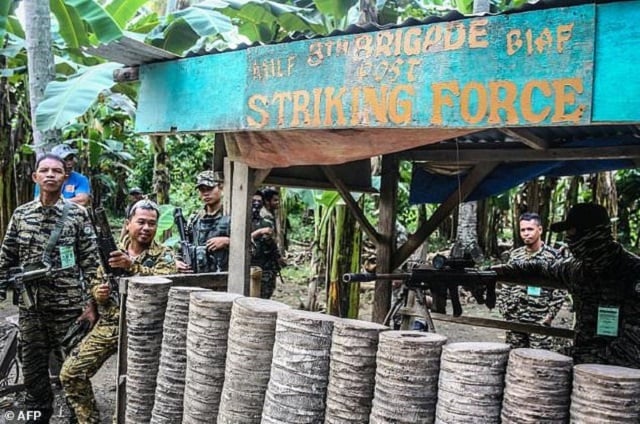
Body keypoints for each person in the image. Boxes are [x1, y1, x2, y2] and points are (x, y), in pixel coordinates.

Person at [0, 153, 99, 422]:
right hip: (31, 310)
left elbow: (91, 261)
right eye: (44, 170)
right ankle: (38, 416)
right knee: (33, 372)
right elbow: (6, 257)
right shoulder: (21, 215)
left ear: (65, 177)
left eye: (57, 171)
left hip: (68, 309)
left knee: (72, 372)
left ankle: (77, 417)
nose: (51, 175)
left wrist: (92, 305)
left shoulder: (77, 215)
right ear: (36, 177)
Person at [60, 199, 177, 424]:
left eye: (151, 224)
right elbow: (94, 279)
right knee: (71, 373)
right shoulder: (110, 251)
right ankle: (88, 419)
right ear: (128, 224)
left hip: (145, 328)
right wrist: (98, 293)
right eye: (141, 222)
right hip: (111, 323)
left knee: (135, 386)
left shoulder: (165, 254)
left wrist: (131, 266)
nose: (146, 228)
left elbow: (168, 281)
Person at [492, 203, 640, 368]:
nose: (570, 241)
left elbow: (633, 341)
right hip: (583, 361)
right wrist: (497, 272)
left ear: (593, 234)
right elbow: (538, 267)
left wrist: (583, 361)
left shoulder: (633, 272)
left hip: (623, 371)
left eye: (573, 234)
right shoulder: (576, 268)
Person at [496, 212, 566, 350]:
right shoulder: (516, 255)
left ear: (539, 230)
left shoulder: (553, 256)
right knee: (516, 359)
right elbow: (506, 284)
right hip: (515, 317)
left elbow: (561, 289)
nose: (526, 233)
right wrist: (504, 308)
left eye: (530, 229)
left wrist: (550, 315)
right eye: (523, 230)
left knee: (539, 361)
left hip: (539, 318)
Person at [175, 171, 230, 273]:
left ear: (221, 187)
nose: (206, 193)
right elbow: (183, 246)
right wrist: (178, 262)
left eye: (210, 189)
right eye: (202, 190)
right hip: (197, 276)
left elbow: (250, 247)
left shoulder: (231, 216)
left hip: (224, 277)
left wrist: (228, 241)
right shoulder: (195, 219)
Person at [250, 189, 285, 299]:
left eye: (259, 201)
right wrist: (259, 232)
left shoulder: (265, 221)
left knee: (265, 296)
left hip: (266, 265)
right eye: (253, 201)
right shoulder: (241, 220)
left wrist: (278, 257)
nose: (256, 204)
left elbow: (271, 243)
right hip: (250, 265)